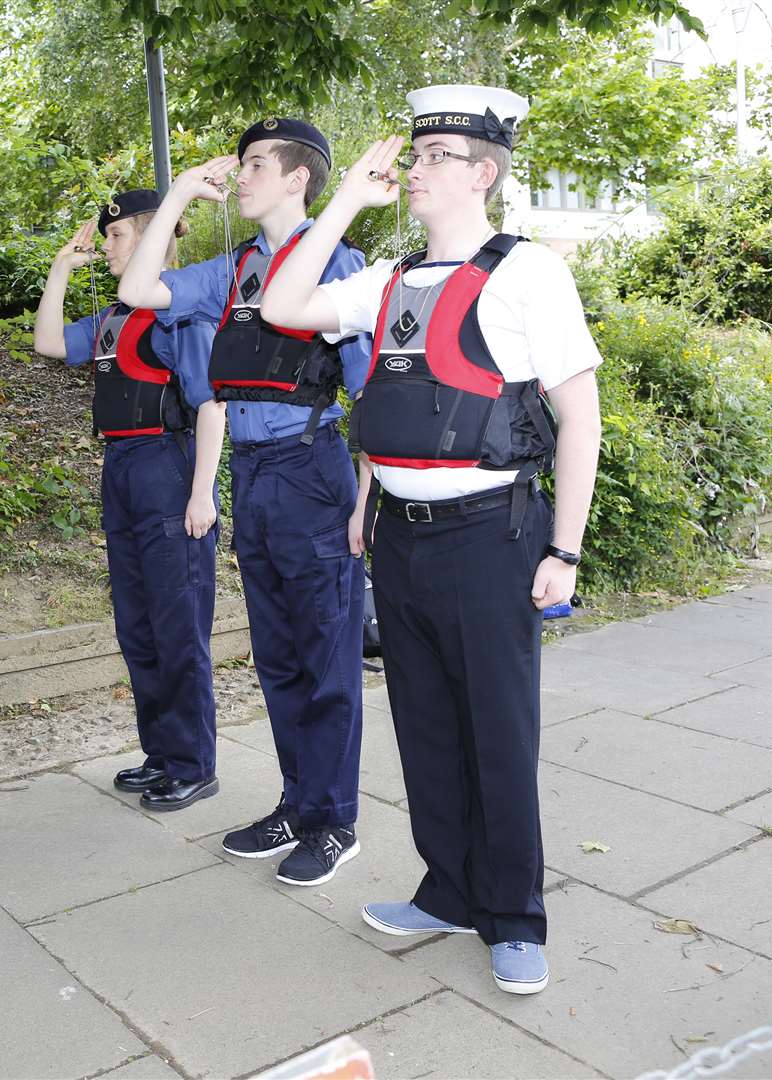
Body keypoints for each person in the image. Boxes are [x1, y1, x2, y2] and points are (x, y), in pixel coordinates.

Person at [260, 85, 603, 995]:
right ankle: (449, 890)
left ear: (483, 172)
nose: (412, 167)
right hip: (401, 540)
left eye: (433, 155)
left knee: (497, 731)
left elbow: (579, 418)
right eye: (412, 154)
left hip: (494, 537)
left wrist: (562, 551)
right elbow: (283, 309)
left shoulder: (530, 273)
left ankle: (516, 916)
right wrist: (344, 202)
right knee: (425, 728)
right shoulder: (389, 280)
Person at [118, 120, 371, 887]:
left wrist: (363, 504)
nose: (243, 174)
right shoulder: (232, 271)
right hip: (255, 478)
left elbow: (375, 393)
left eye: (256, 163)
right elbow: (136, 289)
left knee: (327, 659)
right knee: (280, 659)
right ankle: (298, 804)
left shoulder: (341, 263)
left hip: (312, 467)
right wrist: (176, 199)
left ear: (299, 179)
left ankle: (335, 822)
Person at [33, 189, 224, 811]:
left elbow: (210, 404)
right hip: (121, 468)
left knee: (178, 626)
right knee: (138, 626)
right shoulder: (116, 317)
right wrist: (63, 265)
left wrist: (202, 494)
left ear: (146, 237)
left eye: (115, 237)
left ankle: (194, 763)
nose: (107, 246)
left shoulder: (179, 312)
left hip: (168, 468)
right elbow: (50, 344)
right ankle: (163, 753)